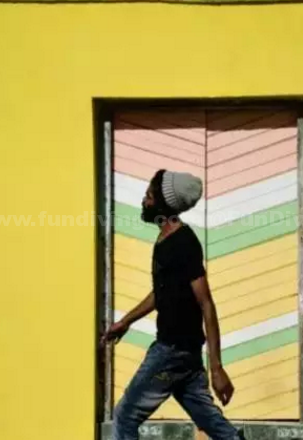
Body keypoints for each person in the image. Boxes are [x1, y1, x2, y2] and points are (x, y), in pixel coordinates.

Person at [101, 169, 245, 440]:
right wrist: (125, 322)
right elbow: (161, 293)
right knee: (212, 422)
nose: (144, 201)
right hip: (185, 356)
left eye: (149, 196)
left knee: (124, 417)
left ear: (163, 205)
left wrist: (216, 368)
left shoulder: (183, 243)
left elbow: (206, 304)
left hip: (172, 351)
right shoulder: (165, 241)